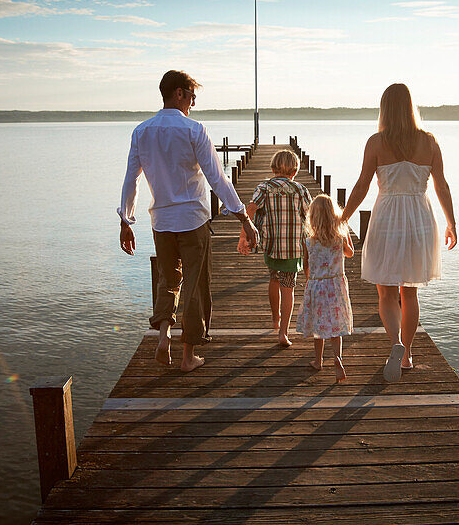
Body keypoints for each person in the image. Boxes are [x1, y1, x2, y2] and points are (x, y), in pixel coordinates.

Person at [118, 70, 259, 372]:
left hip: (162, 221)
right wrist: (243, 218)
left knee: (169, 280)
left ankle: (164, 334)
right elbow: (217, 178)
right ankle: (187, 357)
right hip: (193, 220)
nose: (193, 103)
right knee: (195, 286)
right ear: (179, 93)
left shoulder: (142, 132)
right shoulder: (194, 130)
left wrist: (126, 220)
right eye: (192, 96)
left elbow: (132, 178)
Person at [340, 83, 457, 382]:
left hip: (387, 218)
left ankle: (395, 343)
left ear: (384, 109)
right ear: (410, 107)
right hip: (420, 217)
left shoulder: (376, 142)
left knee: (387, 292)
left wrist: (343, 219)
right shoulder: (429, 142)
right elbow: (441, 185)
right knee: (411, 291)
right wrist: (451, 223)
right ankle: (407, 356)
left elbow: (362, 185)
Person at [239, 150, 312, 347]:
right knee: (288, 287)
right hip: (293, 247)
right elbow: (311, 217)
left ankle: (275, 318)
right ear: (295, 171)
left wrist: (243, 236)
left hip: (271, 245)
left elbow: (251, 208)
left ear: (272, 169)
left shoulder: (263, 187)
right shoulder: (300, 189)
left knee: (273, 278)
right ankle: (283, 332)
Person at [297, 194, 355, 382]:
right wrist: (345, 231)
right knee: (336, 327)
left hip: (317, 285)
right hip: (336, 286)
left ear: (312, 217)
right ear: (334, 215)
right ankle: (337, 358)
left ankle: (318, 360)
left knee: (318, 326)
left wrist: (310, 282)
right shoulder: (339, 238)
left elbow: (306, 265)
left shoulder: (309, 240)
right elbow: (350, 253)